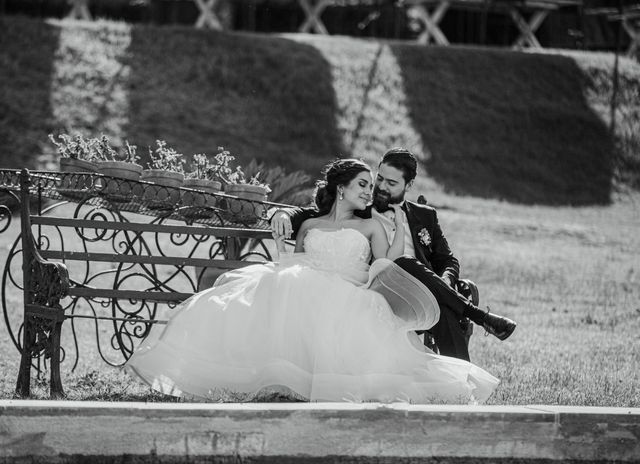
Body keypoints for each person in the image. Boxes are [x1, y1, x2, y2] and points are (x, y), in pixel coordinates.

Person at [126, 158, 499, 403]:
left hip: (355, 286)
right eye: (364, 185)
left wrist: (398, 225)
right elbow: (295, 257)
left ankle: (470, 322)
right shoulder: (310, 222)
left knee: (332, 304)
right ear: (342, 189)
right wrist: (284, 222)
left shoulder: (372, 225)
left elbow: (388, 263)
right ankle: (275, 379)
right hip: (304, 278)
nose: (371, 192)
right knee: (272, 292)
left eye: (375, 186)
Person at [271, 148, 516, 362]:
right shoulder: (359, 207)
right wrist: (283, 215)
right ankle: (479, 316)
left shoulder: (425, 216)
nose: (380, 188)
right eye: (380, 179)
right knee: (402, 262)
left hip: (424, 290)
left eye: (391, 183)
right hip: (378, 291)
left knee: (442, 306)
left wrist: (446, 281)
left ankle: (463, 384)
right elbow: (311, 216)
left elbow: (448, 260)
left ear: (408, 186)